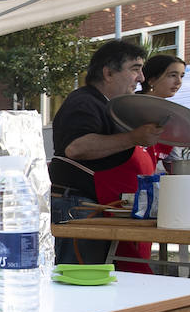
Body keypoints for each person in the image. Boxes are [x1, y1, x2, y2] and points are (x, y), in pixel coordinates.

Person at [49, 39, 163, 268]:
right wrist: (133, 137)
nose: (141, 78)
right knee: (80, 281)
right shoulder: (84, 102)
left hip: (100, 206)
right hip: (79, 207)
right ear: (108, 73)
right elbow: (76, 148)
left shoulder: (109, 106)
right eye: (135, 69)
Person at [137, 54, 188, 166]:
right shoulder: (129, 108)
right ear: (152, 79)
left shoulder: (171, 116)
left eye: (182, 76)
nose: (178, 82)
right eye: (172, 75)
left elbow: (173, 163)